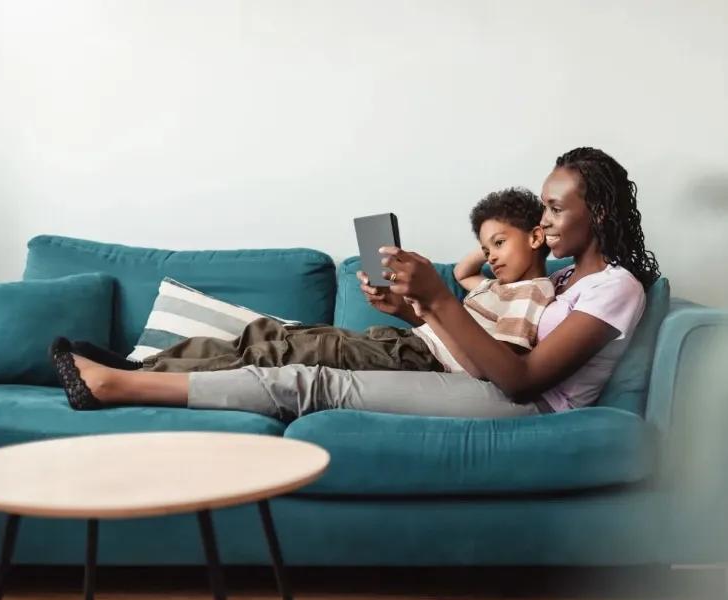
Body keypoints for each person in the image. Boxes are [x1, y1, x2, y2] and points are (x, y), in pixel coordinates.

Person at [50, 147, 658, 421]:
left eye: (555, 209)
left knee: (307, 379)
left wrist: (440, 295)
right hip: (479, 379)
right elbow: (481, 346)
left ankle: (121, 384)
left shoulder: (615, 288)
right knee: (288, 355)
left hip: (521, 408)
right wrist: (418, 308)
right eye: (544, 209)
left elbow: (522, 380)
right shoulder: (563, 276)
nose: (545, 221)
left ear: (598, 213)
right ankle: (127, 377)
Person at [69, 187, 556, 377]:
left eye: (500, 243)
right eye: (488, 246)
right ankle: (145, 362)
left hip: (417, 359)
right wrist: (492, 242)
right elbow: (467, 273)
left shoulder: (534, 293)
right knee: (267, 335)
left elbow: (499, 362)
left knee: (282, 353)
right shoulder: (490, 286)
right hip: (403, 341)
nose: (490, 257)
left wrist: (521, 246)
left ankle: (137, 375)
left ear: (537, 236)